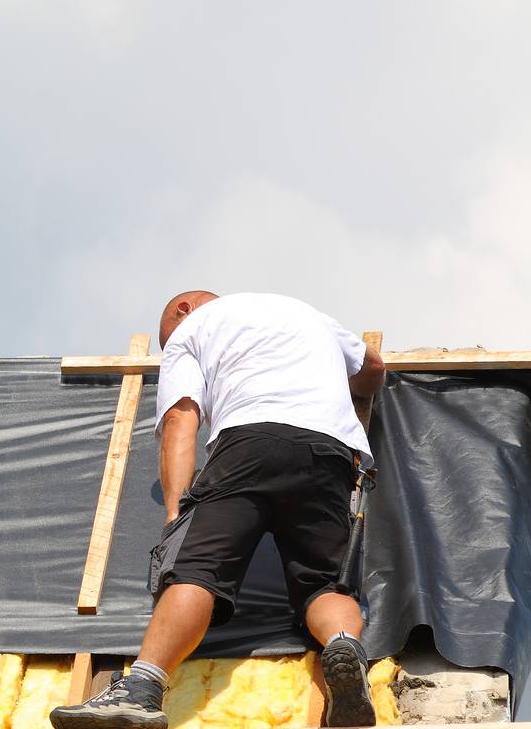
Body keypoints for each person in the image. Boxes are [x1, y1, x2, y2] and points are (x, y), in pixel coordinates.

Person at [51, 291, 386, 729]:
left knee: (196, 571)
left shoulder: (192, 330)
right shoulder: (304, 312)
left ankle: (143, 688)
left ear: (184, 310)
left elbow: (180, 419)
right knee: (324, 583)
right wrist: (358, 391)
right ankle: (343, 644)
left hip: (249, 443)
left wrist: (176, 514)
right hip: (332, 455)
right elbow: (373, 369)